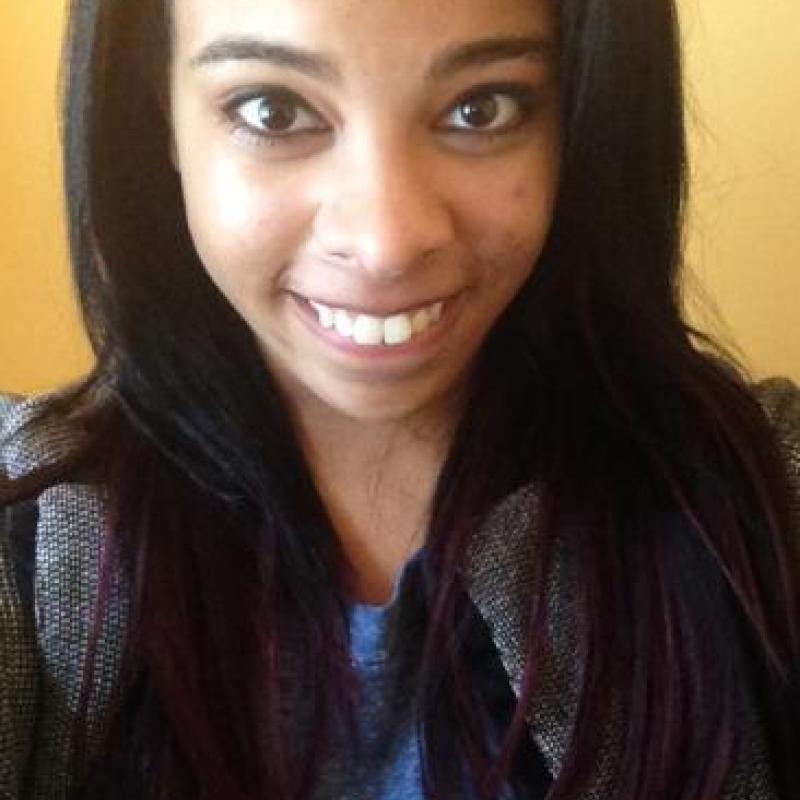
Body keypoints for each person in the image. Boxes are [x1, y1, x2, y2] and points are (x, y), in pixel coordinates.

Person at [1, 0, 798, 797]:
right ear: (160, 118)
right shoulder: (26, 535)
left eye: (481, 108)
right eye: (274, 111)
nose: (386, 242)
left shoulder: (763, 499)